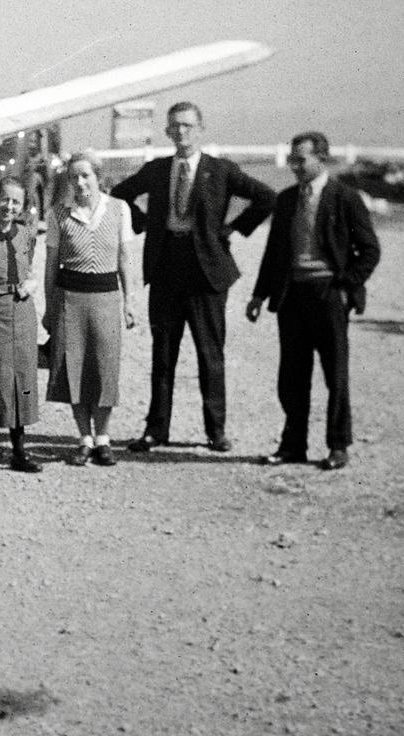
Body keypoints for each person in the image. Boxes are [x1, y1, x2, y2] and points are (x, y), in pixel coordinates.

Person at [111, 101, 277, 454]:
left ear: (200, 129)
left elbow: (266, 198)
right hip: (166, 267)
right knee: (163, 355)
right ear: (168, 132)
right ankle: (156, 431)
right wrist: (147, 224)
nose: (181, 132)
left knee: (209, 354)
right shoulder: (156, 170)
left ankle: (215, 432)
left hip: (207, 274)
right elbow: (119, 196)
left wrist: (232, 229)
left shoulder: (221, 170)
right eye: (174, 127)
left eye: (187, 125)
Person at [247, 132, 382, 471]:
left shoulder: (345, 198)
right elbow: (274, 253)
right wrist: (259, 294)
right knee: (292, 376)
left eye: (300, 160)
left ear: (321, 159)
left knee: (335, 375)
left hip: (328, 296)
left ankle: (338, 446)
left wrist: (344, 285)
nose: (293, 166)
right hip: (292, 295)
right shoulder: (287, 199)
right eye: (292, 159)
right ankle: (293, 445)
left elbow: (369, 250)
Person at [43, 153, 138, 466]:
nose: (80, 183)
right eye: (74, 177)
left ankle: (103, 438)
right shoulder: (58, 213)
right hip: (70, 299)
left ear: (98, 176)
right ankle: (84, 437)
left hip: (107, 297)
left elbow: (124, 258)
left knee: (104, 368)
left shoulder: (119, 209)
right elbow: (50, 266)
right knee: (74, 369)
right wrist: (49, 308)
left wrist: (129, 303)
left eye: (86, 175)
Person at [0, 176, 44, 475]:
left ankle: (19, 450)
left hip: (23, 311)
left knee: (22, 379)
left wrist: (32, 282)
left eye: (16, 202)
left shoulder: (27, 233)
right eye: (5, 200)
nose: (9, 206)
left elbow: (29, 268)